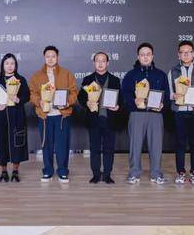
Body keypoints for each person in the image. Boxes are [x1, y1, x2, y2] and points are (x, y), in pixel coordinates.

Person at [120, 42, 170, 184]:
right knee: (135, 145)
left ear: (152, 56)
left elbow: (167, 94)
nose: (145, 57)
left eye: (148, 54)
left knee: (156, 146)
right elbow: (125, 94)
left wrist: (163, 104)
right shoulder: (131, 75)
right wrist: (133, 101)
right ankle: (134, 173)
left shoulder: (161, 74)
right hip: (137, 114)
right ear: (138, 56)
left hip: (156, 115)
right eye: (142, 54)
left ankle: (156, 173)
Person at [28, 46, 77, 183]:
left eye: (53, 56)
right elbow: (32, 93)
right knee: (47, 145)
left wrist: (67, 102)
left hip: (62, 115)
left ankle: (63, 171)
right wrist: (39, 101)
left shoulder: (66, 74)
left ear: (57, 57)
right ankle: (48, 170)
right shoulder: (37, 75)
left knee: (62, 145)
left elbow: (74, 92)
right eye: (48, 56)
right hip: (45, 116)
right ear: (44, 57)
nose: (50, 59)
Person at [167, 40, 194, 186]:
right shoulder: (173, 71)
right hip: (179, 111)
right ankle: (180, 172)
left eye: (188, 52)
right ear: (178, 55)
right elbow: (169, 92)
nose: (185, 55)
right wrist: (173, 96)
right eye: (182, 52)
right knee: (180, 143)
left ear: (193, 54)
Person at [77, 52, 122, 184]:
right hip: (93, 120)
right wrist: (87, 102)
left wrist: (118, 106)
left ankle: (107, 174)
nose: (100, 63)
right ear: (94, 63)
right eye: (98, 60)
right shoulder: (88, 79)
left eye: (103, 61)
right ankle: (96, 174)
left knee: (109, 149)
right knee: (94, 148)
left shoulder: (115, 80)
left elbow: (121, 98)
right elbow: (81, 97)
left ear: (108, 63)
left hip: (109, 119)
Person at [0, 53, 30, 182]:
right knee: (2, 143)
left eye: (12, 63)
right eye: (7, 63)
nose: (10, 66)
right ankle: (4, 171)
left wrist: (19, 99)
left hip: (17, 116)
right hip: (1, 117)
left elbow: (27, 95)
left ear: (15, 65)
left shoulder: (20, 79)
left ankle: (15, 171)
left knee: (17, 142)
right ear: (2, 65)